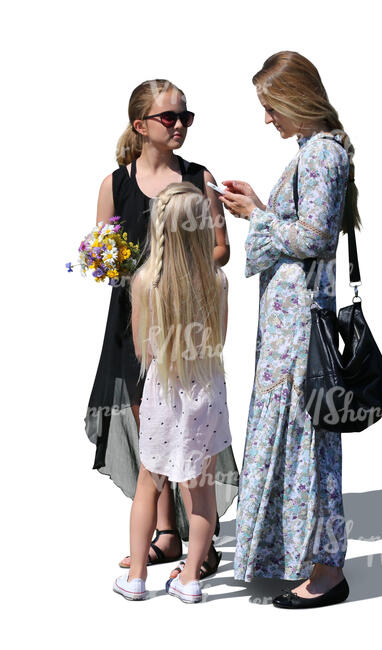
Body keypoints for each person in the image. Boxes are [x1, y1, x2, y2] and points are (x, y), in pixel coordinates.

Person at [219, 51, 360, 609]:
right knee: (297, 440)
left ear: (296, 99)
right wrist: (260, 207)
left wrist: (256, 213)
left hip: (301, 330)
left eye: (271, 106)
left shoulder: (322, 153)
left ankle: (326, 572)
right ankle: (294, 556)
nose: (267, 118)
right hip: (288, 326)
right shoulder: (312, 151)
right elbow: (305, 228)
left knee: (310, 443)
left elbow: (316, 238)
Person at [85, 79, 239, 580]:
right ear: (140, 126)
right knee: (150, 426)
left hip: (186, 323)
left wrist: (172, 272)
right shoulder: (116, 182)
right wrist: (107, 262)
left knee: (193, 430)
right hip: (133, 323)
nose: (178, 125)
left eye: (184, 117)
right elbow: (101, 249)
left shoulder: (199, 177)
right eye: (169, 117)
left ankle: (203, 541)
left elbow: (221, 249)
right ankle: (167, 535)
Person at [113, 182, 232, 603]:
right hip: (207, 391)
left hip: (164, 390)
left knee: (150, 481)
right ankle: (191, 580)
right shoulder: (217, 281)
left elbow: (143, 347)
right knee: (201, 488)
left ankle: (138, 576)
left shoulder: (145, 282)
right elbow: (218, 340)